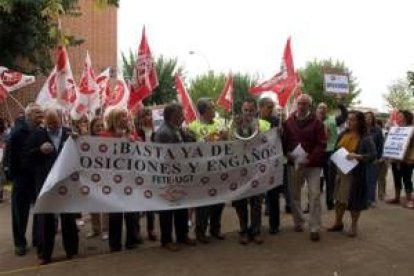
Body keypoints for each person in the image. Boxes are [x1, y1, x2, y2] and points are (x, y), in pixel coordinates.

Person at [26, 108, 79, 264]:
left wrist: (78, 140)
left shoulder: (69, 133)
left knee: (68, 217)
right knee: (46, 218)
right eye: (49, 124)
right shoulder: (37, 134)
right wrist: (39, 150)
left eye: (55, 123)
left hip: (65, 180)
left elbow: (81, 153)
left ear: (61, 119)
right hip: (45, 182)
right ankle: (45, 254)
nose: (53, 126)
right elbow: (27, 156)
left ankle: (71, 250)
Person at [283, 94, 327, 242]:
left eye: (304, 104)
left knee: (314, 194)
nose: (301, 106)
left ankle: (314, 227)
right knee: (294, 194)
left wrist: (309, 158)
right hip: (294, 163)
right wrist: (287, 153)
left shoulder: (317, 122)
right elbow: (284, 141)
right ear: (296, 104)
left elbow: (321, 144)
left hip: (313, 164)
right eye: (299, 103)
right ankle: (298, 221)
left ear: (309, 106)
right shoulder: (288, 122)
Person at [153, 103, 197, 251]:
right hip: (169, 176)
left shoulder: (176, 129)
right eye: (181, 113)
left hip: (179, 174)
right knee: (167, 209)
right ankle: (166, 240)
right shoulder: (163, 133)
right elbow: (164, 156)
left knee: (181, 206)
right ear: (173, 115)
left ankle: (182, 235)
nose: (183, 116)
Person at [327, 111, 376, 237]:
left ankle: (354, 226)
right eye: (348, 119)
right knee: (338, 199)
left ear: (360, 122)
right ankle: (338, 223)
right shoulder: (343, 133)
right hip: (339, 172)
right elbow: (336, 149)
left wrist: (357, 156)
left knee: (354, 202)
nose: (349, 122)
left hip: (354, 175)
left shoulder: (365, 138)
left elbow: (372, 155)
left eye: (353, 120)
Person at [232, 98, 271, 245]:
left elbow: (269, 141)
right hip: (240, 169)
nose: (248, 113)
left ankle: (255, 230)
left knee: (256, 201)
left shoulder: (261, 125)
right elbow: (230, 143)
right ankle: (243, 230)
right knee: (240, 201)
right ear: (242, 110)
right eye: (245, 110)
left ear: (255, 110)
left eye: (250, 110)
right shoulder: (234, 124)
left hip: (256, 169)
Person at [101, 109, 140, 252]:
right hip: (113, 182)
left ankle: (131, 240)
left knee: (131, 213)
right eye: (122, 116)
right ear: (114, 120)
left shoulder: (132, 135)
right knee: (115, 214)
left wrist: (133, 141)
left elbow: (143, 151)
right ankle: (115, 243)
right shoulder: (104, 135)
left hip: (130, 180)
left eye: (126, 116)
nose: (126, 118)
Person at [8, 103, 44, 256]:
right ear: (29, 115)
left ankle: (38, 238)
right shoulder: (17, 133)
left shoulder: (41, 131)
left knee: (39, 209)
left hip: (36, 177)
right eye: (37, 113)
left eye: (41, 113)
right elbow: (11, 157)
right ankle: (20, 243)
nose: (40, 116)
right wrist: (14, 176)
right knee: (19, 213)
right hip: (22, 178)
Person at [188, 98, 226, 243]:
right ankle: (200, 231)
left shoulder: (220, 125)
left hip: (219, 170)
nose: (214, 110)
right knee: (203, 203)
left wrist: (225, 138)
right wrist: (205, 141)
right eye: (212, 108)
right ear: (204, 111)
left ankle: (215, 229)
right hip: (201, 172)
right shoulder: (192, 127)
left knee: (219, 201)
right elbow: (189, 149)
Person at [316, 102, 348, 210]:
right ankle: (311, 205)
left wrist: (340, 104)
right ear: (317, 110)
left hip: (331, 152)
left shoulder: (333, 120)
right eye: (320, 107)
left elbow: (344, 116)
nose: (322, 109)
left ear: (327, 110)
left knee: (330, 179)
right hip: (317, 153)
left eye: (324, 108)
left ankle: (330, 202)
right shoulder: (313, 121)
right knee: (314, 179)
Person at [258, 97, 283, 234]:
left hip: (272, 164)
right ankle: (255, 226)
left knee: (274, 195)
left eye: (272, 107)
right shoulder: (253, 122)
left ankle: (274, 225)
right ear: (260, 108)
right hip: (256, 165)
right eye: (269, 107)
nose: (271, 109)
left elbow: (281, 141)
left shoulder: (275, 121)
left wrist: (281, 134)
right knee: (256, 196)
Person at [134, 108, 157, 242]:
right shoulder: (136, 132)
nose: (148, 117)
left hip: (152, 171)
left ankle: (151, 229)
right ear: (140, 118)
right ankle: (136, 231)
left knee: (150, 202)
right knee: (137, 201)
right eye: (145, 115)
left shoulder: (156, 131)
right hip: (138, 171)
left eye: (150, 115)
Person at [87, 117, 109, 241]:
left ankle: (106, 229)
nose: (100, 128)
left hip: (106, 176)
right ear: (92, 128)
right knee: (93, 202)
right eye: (97, 126)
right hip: (92, 176)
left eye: (102, 126)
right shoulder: (87, 141)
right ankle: (96, 229)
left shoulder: (109, 140)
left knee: (106, 202)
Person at [387, 110, 414, 207]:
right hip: (396, 158)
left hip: (407, 160)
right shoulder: (395, 129)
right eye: (397, 116)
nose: (398, 118)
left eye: (400, 116)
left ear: (407, 117)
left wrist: (411, 157)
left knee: (407, 179)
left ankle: (409, 200)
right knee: (396, 178)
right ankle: (397, 198)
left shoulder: (412, 129)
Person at [364, 112, 384, 207]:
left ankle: (371, 200)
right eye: (366, 117)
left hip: (373, 159)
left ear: (373, 119)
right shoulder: (361, 130)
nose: (367, 119)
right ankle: (363, 198)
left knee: (371, 180)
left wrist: (379, 158)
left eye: (369, 118)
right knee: (362, 179)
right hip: (362, 158)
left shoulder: (377, 130)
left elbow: (381, 145)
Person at [375, 119, 388, 201]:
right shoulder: (373, 134)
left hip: (384, 158)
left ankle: (381, 193)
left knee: (381, 177)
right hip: (376, 158)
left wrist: (383, 157)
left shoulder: (386, 134)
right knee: (375, 178)